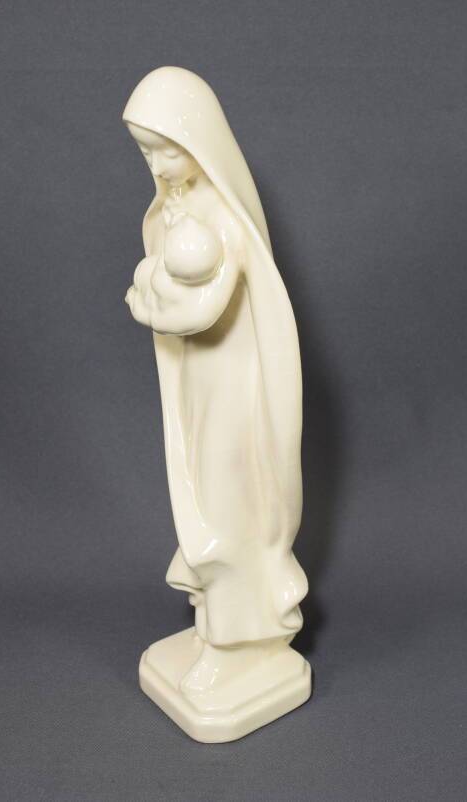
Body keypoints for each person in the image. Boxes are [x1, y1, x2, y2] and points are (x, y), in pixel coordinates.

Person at [123, 66, 308, 696]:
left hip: (236, 388)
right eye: (144, 152)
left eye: (165, 150)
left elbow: (200, 310)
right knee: (200, 497)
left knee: (229, 505)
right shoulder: (178, 207)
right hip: (200, 384)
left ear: (198, 140)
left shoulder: (223, 217)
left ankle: (238, 644)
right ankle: (215, 628)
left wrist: (148, 303)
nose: (155, 166)